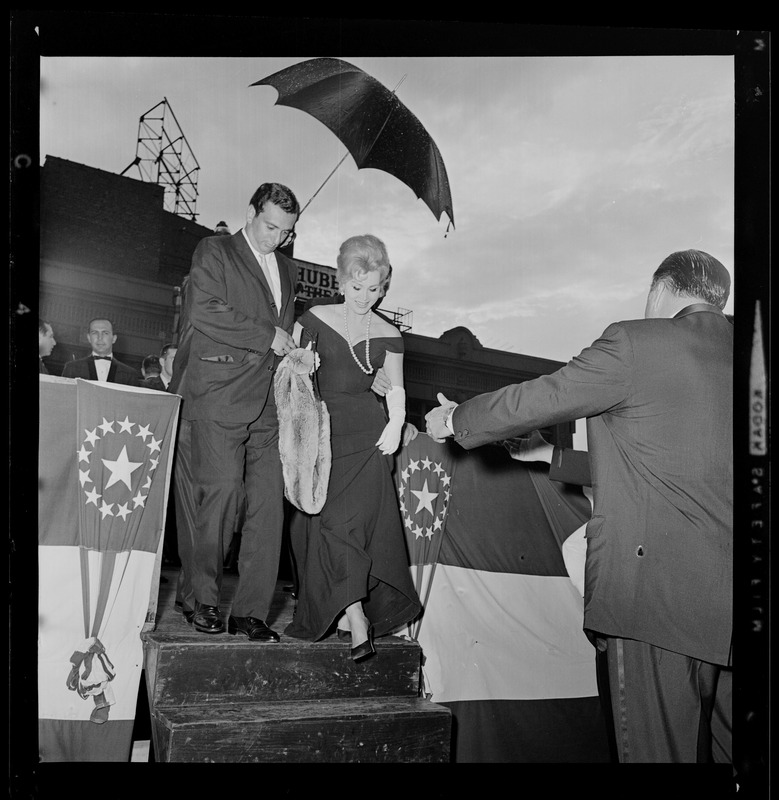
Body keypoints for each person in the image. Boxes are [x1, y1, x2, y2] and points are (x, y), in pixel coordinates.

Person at [426, 249, 733, 765]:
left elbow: (545, 395)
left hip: (654, 605)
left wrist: (459, 420)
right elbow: (680, 466)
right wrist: (551, 455)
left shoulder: (637, 342)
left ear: (661, 291)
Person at [284, 234, 422, 661]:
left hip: (369, 437)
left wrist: (396, 422)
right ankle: (353, 613)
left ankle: (355, 615)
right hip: (323, 436)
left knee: (353, 527)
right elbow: (289, 380)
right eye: (357, 287)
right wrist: (300, 366)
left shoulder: (389, 333)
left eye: (374, 289)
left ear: (384, 287)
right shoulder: (313, 319)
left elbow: (396, 388)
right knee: (330, 525)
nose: (365, 298)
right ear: (342, 281)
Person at [172, 182, 300, 640]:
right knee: (221, 496)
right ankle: (202, 599)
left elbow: (283, 328)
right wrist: (267, 336)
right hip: (219, 393)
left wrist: (295, 350)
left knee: (268, 508)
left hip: (267, 405)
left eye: (285, 232)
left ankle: (250, 612)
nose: (275, 238)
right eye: (269, 226)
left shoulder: (288, 269)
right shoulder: (215, 250)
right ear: (250, 212)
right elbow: (203, 309)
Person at [61, 317, 140, 385]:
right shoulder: (72, 368)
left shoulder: (130, 374)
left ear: (114, 338)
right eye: (94, 333)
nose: (100, 337)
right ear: (89, 338)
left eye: (105, 333)